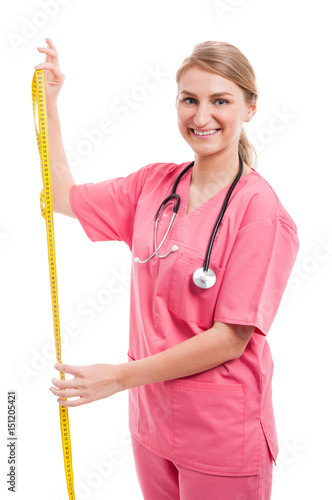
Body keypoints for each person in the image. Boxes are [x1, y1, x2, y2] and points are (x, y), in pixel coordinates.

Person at [35, 38, 299, 500]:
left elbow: (231, 337)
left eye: (221, 101)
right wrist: (50, 104)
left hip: (221, 437)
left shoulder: (261, 213)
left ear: (251, 108)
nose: (201, 117)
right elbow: (59, 196)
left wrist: (117, 377)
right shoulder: (153, 186)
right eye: (189, 100)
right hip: (152, 425)